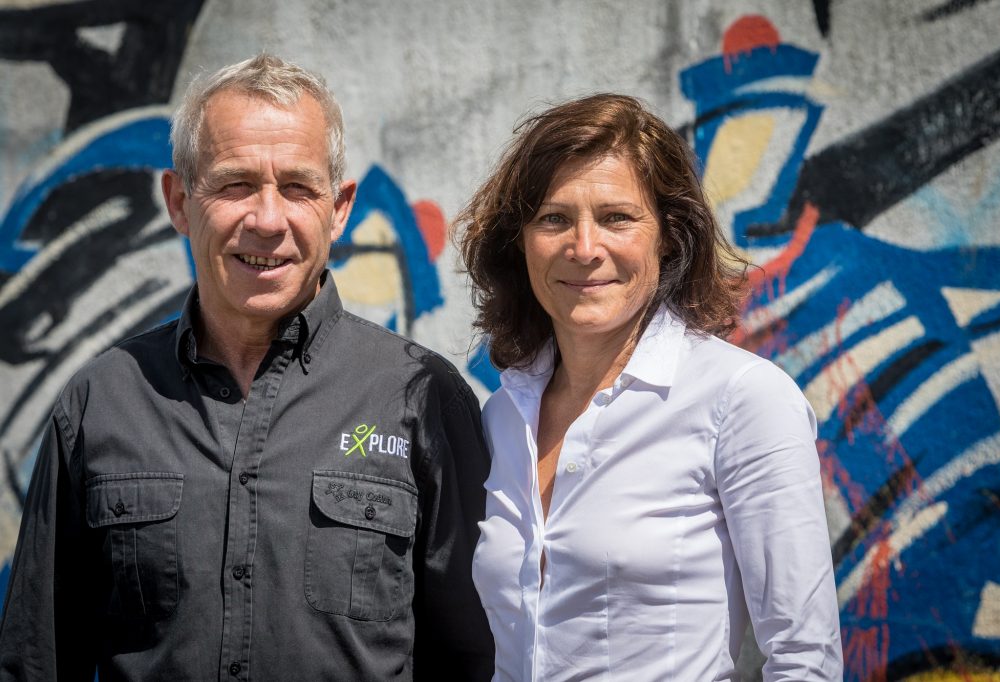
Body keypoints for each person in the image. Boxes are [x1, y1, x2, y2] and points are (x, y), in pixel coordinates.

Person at [0, 54, 493, 680]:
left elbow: (477, 655)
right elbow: (36, 661)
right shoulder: (101, 401)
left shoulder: (420, 397)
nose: (266, 220)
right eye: (235, 185)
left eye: (297, 187)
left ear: (338, 208)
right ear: (180, 201)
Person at [458, 94, 842, 681]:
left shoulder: (742, 400)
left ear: (668, 236)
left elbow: (804, 658)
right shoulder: (504, 414)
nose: (584, 248)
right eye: (554, 218)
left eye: (617, 217)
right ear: (520, 242)